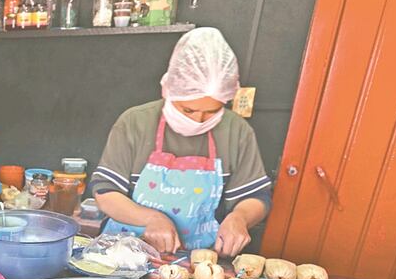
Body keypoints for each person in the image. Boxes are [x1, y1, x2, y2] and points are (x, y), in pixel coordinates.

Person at [90, 27, 272, 258]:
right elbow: (106, 192)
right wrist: (151, 218)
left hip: (197, 259)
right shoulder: (135, 122)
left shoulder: (237, 131)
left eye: (212, 111)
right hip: (124, 251)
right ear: (169, 90)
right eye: (188, 109)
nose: (198, 120)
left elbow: (256, 196)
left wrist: (240, 218)